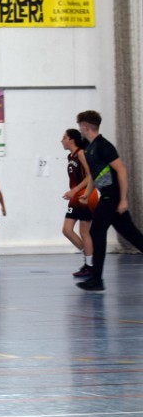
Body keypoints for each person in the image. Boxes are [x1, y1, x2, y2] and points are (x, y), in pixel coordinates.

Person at [74, 110, 143, 291]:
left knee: (96, 231)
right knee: (131, 234)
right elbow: (95, 175)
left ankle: (97, 279)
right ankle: (96, 279)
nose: (79, 130)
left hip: (112, 195)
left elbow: (121, 170)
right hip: (106, 193)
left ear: (85, 126)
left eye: (80, 126)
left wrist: (123, 199)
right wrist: (87, 193)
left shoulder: (104, 146)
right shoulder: (90, 148)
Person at [61, 128, 97, 278]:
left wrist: (75, 190)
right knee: (67, 230)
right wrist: (73, 192)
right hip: (76, 196)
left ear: (71, 140)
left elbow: (91, 176)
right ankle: (90, 258)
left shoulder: (81, 153)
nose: (62, 140)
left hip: (86, 195)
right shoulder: (70, 156)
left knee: (84, 231)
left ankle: (90, 264)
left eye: (64, 138)